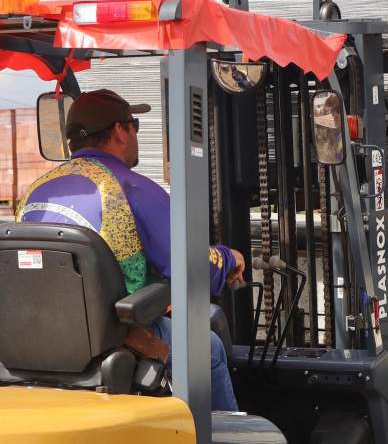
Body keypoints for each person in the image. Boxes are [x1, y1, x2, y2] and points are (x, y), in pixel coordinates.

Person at [16, 89, 243, 411]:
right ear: (121, 130)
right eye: (134, 124)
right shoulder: (129, 188)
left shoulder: (35, 192)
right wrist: (229, 257)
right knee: (210, 346)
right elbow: (193, 267)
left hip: (36, 337)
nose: (136, 133)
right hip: (111, 339)